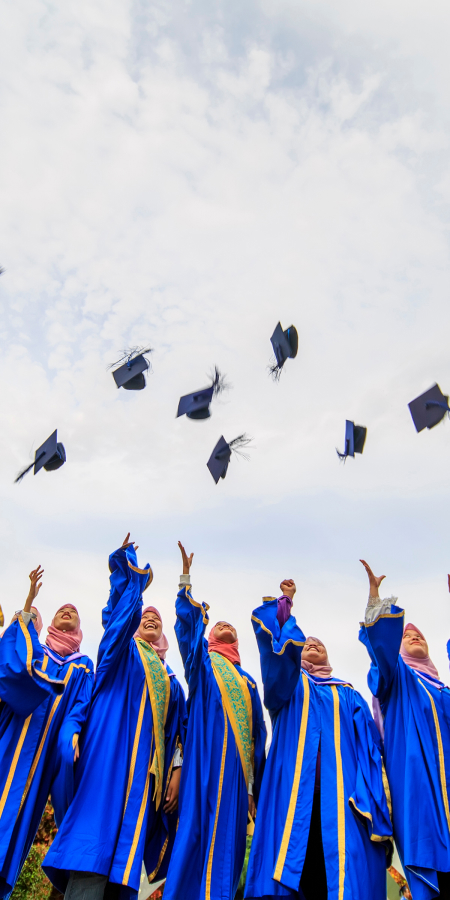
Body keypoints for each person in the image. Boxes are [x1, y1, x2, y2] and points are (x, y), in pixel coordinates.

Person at [44, 535, 187, 900]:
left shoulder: (171, 683)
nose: (150, 618)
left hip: (143, 783)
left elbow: (180, 734)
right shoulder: (119, 653)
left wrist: (176, 772)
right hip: (106, 764)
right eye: (145, 616)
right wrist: (128, 579)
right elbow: (117, 620)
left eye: (157, 618)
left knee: (122, 874)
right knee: (91, 856)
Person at [245, 580, 392, 900]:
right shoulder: (288, 688)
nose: (312, 643)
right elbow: (277, 661)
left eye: (319, 643)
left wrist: (376, 808)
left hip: (341, 806)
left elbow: (371, 753)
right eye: (306, 642)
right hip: (293, 801)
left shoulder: (348, 694)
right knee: (291, 875)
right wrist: (285, 605)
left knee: (336, 881)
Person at [163, 542, 267, 900]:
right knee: (192, 837)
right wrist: (185, 582)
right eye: (218, 623)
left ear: (237, 642)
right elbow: (188, 637)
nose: (224, 625)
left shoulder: (248, 681)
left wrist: (255, 790)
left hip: (237, 781)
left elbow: (257, 738)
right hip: (200, 766)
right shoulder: (203, 666)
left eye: (231, 626)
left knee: (228, 849)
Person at [0, 565, 94, 898]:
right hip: (10, 744)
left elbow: (79, 709)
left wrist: (70, 737)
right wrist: (28, 601)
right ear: (51, 624)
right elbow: (12, 671)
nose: (67, 611)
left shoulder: (83, 666)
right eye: (60, 610)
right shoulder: (35, 652)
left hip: (40, 760)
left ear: (80, 629)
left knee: (16, 822)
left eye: (74, 613)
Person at [359, 560, 450, 900]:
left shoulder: (443, 690)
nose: (414, 637)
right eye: (407, 635)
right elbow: (382, 652)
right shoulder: (398, 680)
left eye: (420, 635)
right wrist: (374, 601)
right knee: (430, 875)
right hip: (418, 792)